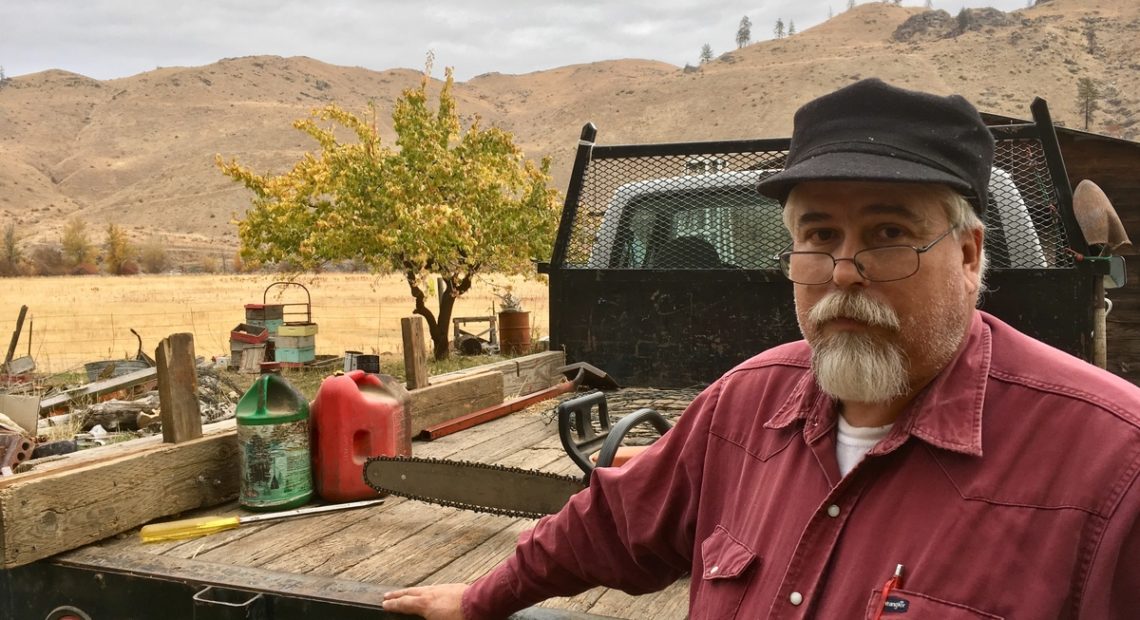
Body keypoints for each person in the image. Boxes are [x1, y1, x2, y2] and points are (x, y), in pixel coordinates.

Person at [382, 79, 1140, 619]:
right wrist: (484, 598)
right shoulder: (744, 406)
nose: (845, 273)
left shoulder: (1112, 467)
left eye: (888, 235)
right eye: (818, 236)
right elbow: (609, 525)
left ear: (971, 256)